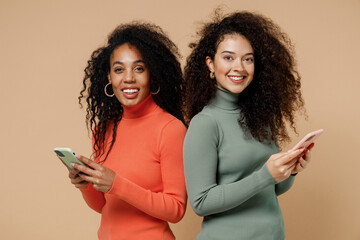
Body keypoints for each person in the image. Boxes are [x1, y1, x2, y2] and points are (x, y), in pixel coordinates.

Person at [182, 10, 314, 240]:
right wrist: (265, 175)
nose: (240, 67)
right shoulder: (205, 124)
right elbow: (201, 202)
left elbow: (274, 189)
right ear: (210, 64)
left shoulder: (263, 117)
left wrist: (290, 171)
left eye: (248, 59)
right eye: (228, 57)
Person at [68, 22, 187, 240]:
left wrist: (117, 184)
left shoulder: (170, 129)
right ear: (109, 78)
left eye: (139, 68)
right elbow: (105, 206)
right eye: (119, 69)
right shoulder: (104, 130)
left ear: (152, 75)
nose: (129, 78)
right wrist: (86, 186)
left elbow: (176, 209)